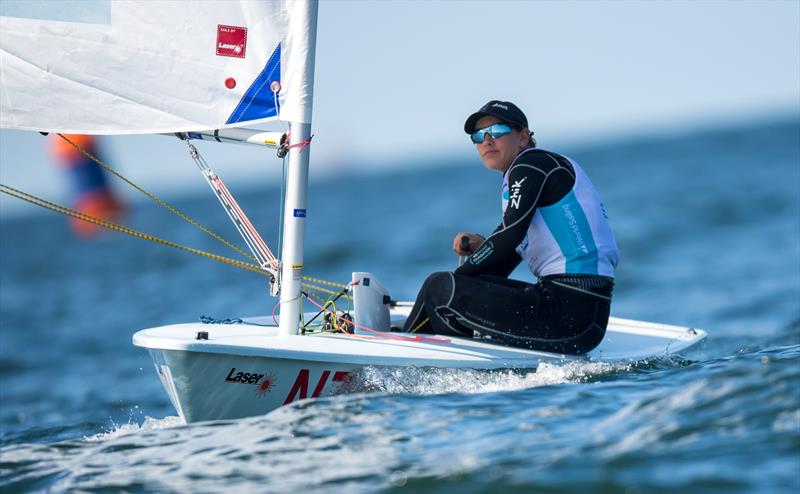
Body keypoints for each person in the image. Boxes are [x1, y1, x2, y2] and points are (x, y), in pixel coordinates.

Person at [402, 100, 619, 355]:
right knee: (450, 288)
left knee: (439, 288)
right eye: (479, 136)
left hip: (569, 313)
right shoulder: (535, 171)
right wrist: (481, 254)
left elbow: (509, 235)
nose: (487, 141)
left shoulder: (530, 165)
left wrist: (453, 286)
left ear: (523, 137)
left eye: (496, 132)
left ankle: (412, 354)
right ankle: (415, 341)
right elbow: (507, 251)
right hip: (582, 316)